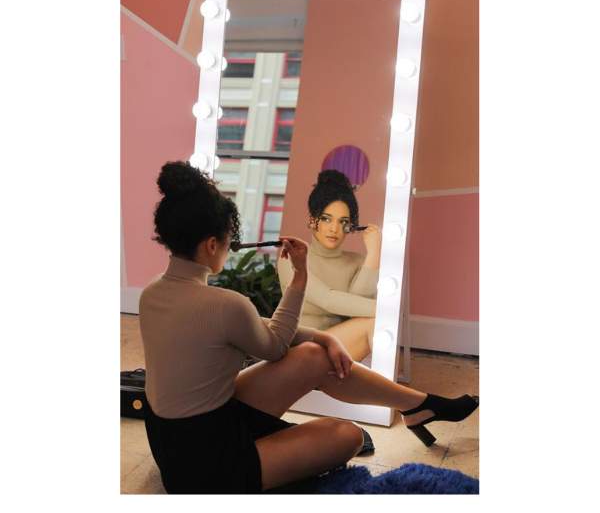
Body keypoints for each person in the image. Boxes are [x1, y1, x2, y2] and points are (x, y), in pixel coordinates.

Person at [139, 160, 479, 495]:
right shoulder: (224, 305)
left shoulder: (153, 292)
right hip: (207, 466)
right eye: (230, 239)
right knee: (349, 436)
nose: (231, 247)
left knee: (315, 355)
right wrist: (300, 275)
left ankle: (417, 405)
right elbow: (275, 346)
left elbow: (255, 328)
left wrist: (321, 336)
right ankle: (413, 409)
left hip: (174, 440)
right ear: (212, 244)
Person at [277, 170, 379, 362]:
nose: (334, 229)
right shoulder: (291, 257)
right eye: (326, 219)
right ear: (312, 220)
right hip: (300, 350)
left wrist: (374, 254)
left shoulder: (358, 261)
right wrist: (386, 310)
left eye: (343, 222)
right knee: (373, 321)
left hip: (338, 351)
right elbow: (326, 299)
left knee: (369, 321)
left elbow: (356, 312)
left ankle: (375, 380)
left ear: (350, 226)